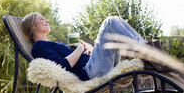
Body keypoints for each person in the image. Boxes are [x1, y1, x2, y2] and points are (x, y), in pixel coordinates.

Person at [21, 12, 159, 81]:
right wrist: (80, 48)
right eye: (41, 19)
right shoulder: (39, 46)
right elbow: (63, 66)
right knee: (109, 22)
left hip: (93, 66)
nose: (47, 20)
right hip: (89, 73)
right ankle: (150, 53)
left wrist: (89, 49)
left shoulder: (52, 44)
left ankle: (147, 51)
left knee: (114, 21)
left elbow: (74, 60)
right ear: (33, 26)